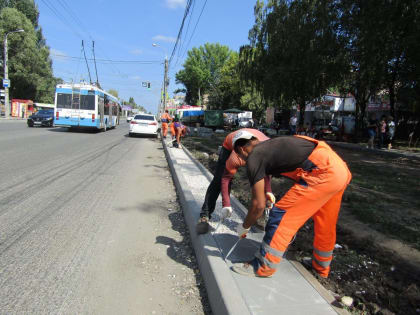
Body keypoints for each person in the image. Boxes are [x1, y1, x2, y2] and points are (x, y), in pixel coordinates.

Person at [230, 134, 352, 278]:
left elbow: (258, 205)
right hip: (339, 169)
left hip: (322, 173)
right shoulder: (271, 146)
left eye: (240, 157)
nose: (243, 161)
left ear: (242, 149)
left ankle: (263, 266)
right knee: (325, 223)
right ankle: (321, 267)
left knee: (281, 216)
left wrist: (245, 227)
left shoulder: (253, 156)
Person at [197, 129, 274, 234]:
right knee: (218, 179)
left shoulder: (268, 151)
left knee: (258, 185)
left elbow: (266, 172)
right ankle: (205, 214)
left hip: (254, 140)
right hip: (230, 144)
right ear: (242, 152)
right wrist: (226, 204)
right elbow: (226, 178)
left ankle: (254, 218)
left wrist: (268, 191)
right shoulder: (236, 157)